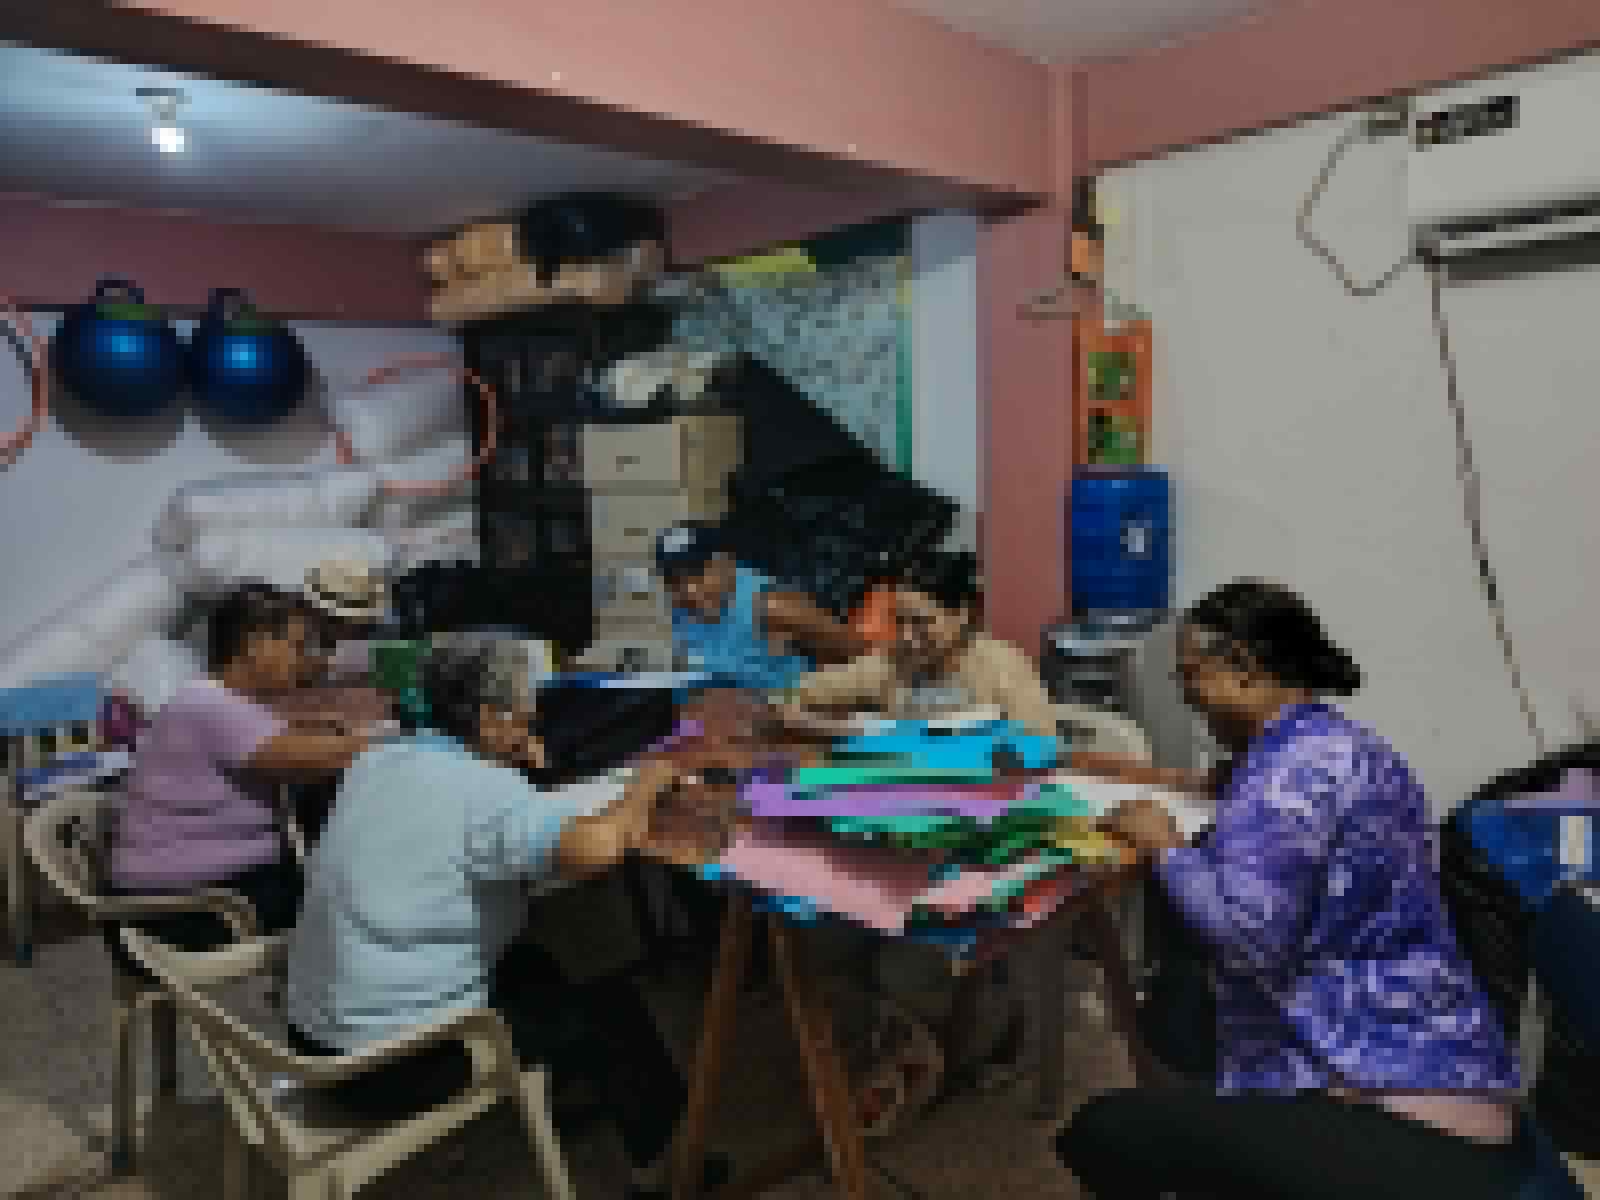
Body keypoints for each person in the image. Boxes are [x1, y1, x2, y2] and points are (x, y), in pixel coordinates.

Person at [1056, 578, 1527, 1200]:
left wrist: (1163, 844)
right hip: (1446, 1058)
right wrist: (1143, 775)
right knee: (1177, 1012)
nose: (1187, 697)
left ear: (1244, 669)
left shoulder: (1285, 778)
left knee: (1104, 1130)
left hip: (1399, 1106)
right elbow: (1263, 804)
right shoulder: (1338, 743)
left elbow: (1248, 939)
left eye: (1190, 677)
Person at [285, 647, 728, 1199]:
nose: (532, 727)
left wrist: (512, 767)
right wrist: (645, 785)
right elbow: (597, 849)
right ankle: (672, 1170)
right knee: (610, 1008)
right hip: (385, 1067)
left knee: (533, 962)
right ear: (490, 719)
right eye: (524, 715)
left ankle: (562, 1084)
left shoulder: (379, 759)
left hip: (311, 1038)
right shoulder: (482, 793)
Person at [104, 583, 370, 974]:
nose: (304, 659)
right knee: (362, 899)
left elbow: (280, 739)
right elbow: (314, 757)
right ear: (255, 644)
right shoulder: (209, 706)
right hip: (181, 911)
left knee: (342, 868)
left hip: (192, 893)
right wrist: (390, 739)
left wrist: (328, 731)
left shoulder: (215, 700)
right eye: (297, 646)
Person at [788, 556, 1059, 738]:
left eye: (920, 622)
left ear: (962, 614)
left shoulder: (1001, 667)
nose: (907, 636)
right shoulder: (892, 661)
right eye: (899, 621)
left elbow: (1043, 745)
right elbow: (800, 694)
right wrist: (838, 727)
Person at [655, 521, 866, 693]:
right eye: (676, 580)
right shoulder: (682, 609)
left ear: (725, 561)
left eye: (698, 572)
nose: (689, 589)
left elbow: (856, 651)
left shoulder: (771, 605)